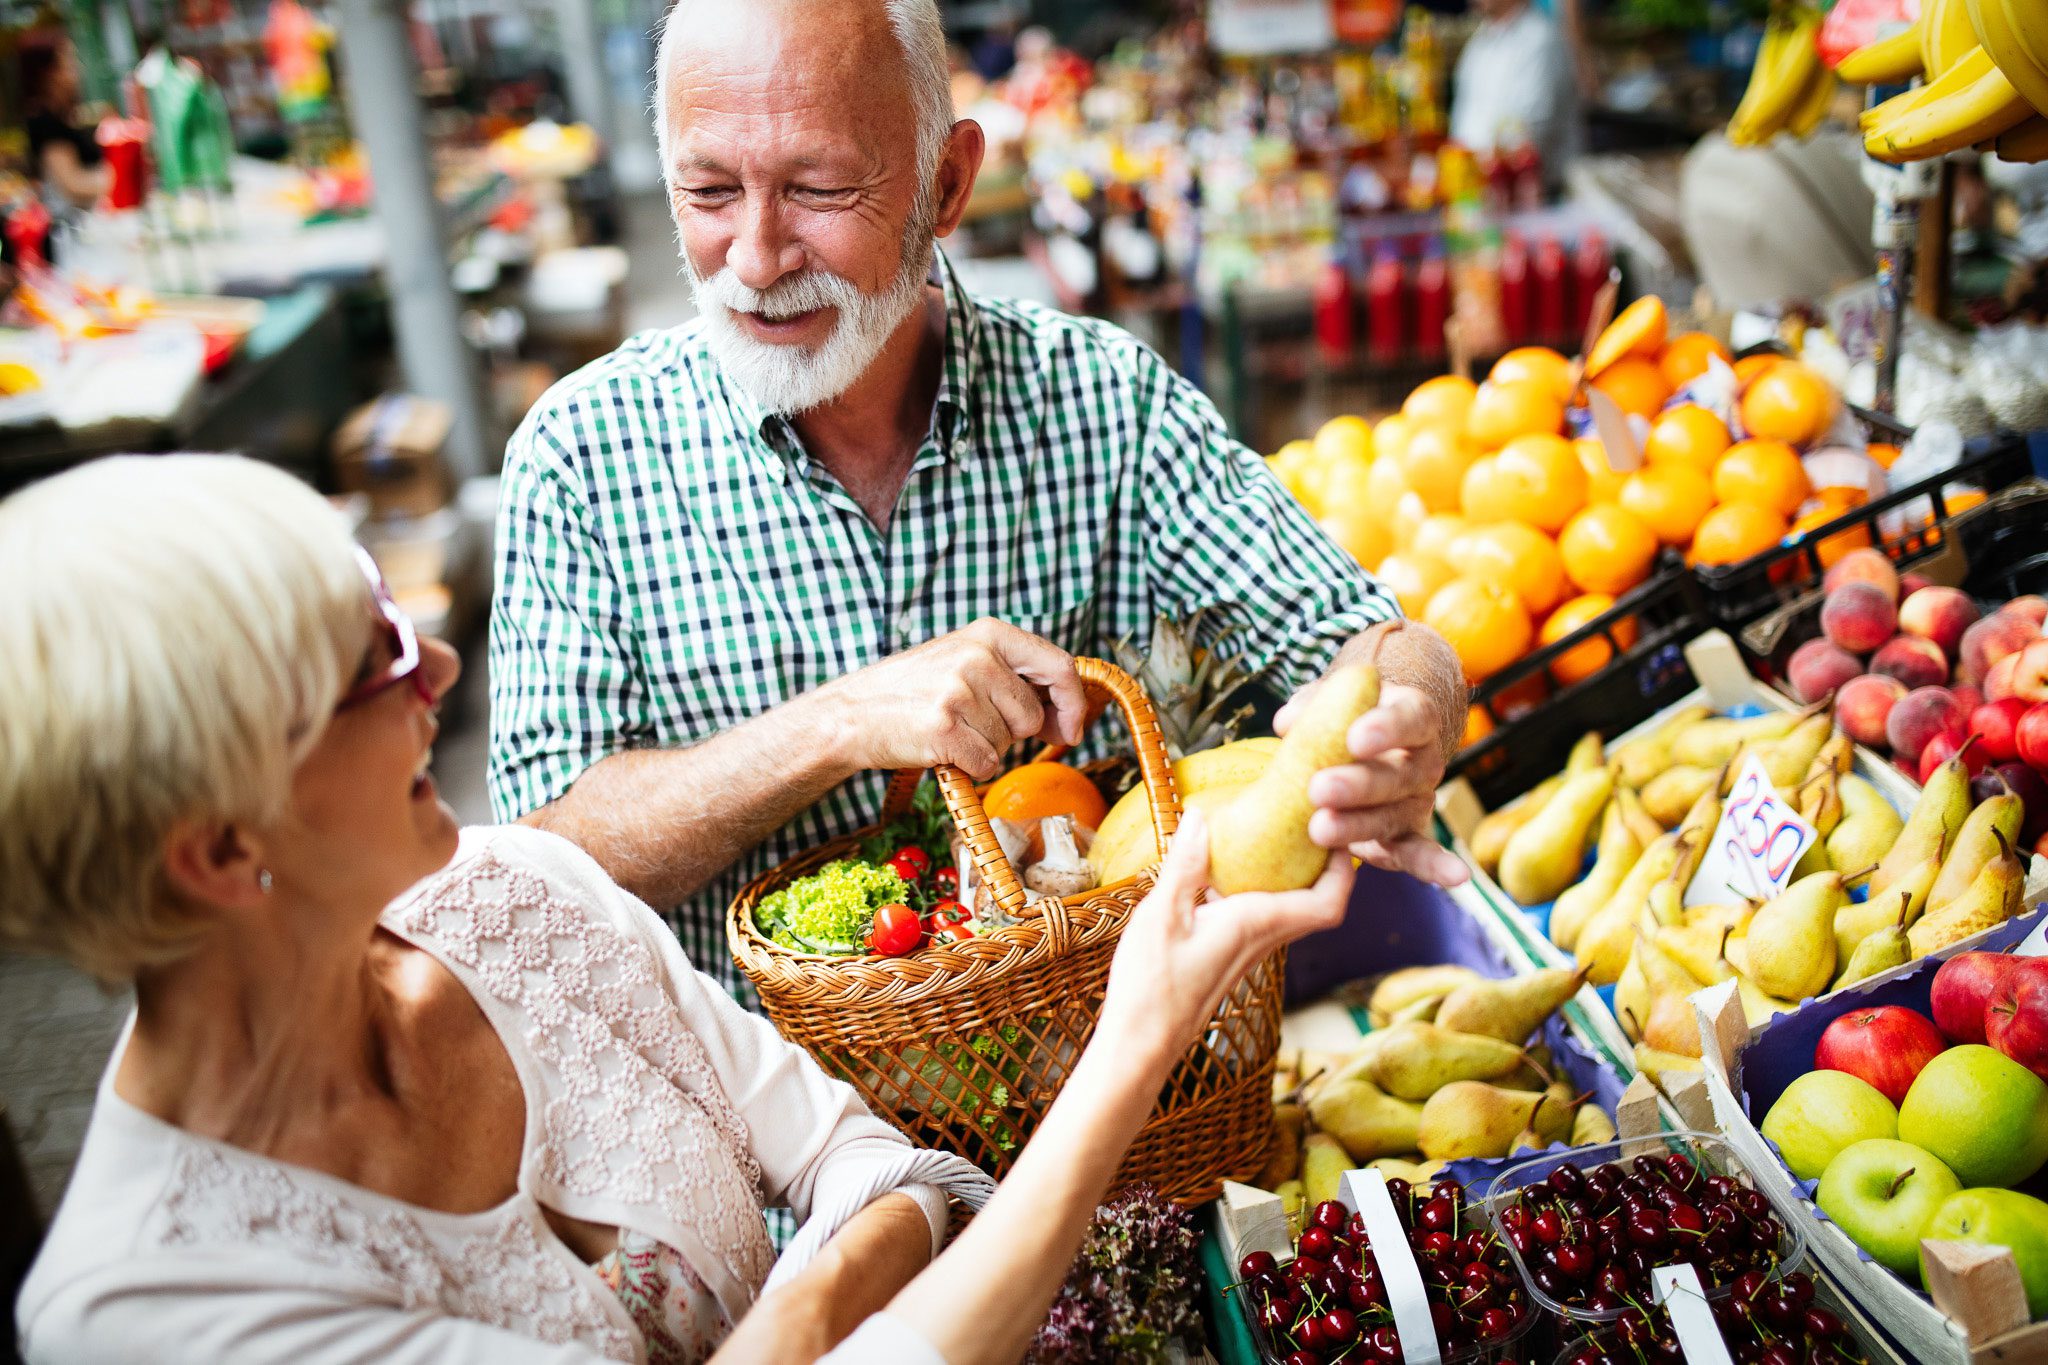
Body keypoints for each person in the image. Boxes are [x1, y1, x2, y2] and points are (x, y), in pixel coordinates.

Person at [4, 454, 1354, 1364]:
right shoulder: (148, 1313)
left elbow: (898, 1176)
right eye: (377, 660)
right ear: (220, 841)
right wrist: (1134, 1037)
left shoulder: (517, 897)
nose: (444, 667)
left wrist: (810, 1294)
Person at [490, 0, 1470, 1006]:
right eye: (705, 191)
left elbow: (1377, 642)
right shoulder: (584, 455)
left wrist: (1409, 720)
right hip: (752, 1135)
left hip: (1098, 1102)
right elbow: (539, 868)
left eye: (819, 189)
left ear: (946, 183)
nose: (753, 258)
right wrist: (833, 727)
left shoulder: (1102, 403)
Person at [1448, 0, 1584, 190]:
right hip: (1478, 192)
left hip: (1542, 197)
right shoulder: (1478, 45)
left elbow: (1527, 141)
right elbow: (1461, 131)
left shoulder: (1541, 40)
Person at [17, 33, 110, 211]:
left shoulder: (60, 115)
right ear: (48, 74)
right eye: (68, 62)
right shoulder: (44, 122)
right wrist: (123, 176)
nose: (77, 69)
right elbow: (73, 184)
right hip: (76, 227)